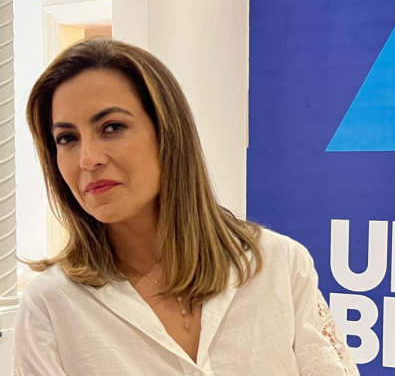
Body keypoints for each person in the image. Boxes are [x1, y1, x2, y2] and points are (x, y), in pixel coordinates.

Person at [13, 38, 359, 375]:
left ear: (168, 133)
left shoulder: (279, 265)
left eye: (112, 127)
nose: (88, 158)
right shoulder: (52, 306)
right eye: (67, 138)